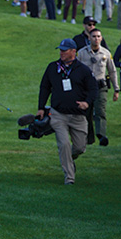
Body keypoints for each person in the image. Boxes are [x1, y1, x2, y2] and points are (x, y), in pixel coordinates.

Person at [37, 38, 98, 185]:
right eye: (60, 50)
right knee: (63, 144)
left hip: (78, 115)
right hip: (58, 114)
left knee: (79, 147)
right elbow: (45, 87)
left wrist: (87, 103)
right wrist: (41, 107)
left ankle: (69, 160)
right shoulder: (52, 67)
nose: (61, 52)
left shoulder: (83, 70)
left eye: (64, 50)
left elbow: (93, 89)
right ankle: (69, 177)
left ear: (73, 51)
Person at [76, 29, 119, 146]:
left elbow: (112, 71)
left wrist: (116, 89)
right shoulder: (81, 53)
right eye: (93, 36)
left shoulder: (106, 53)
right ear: (89, 38)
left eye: (98, 36)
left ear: (101, 38)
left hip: (100, 86)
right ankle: (88, 138)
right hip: (85, 88)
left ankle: (101, 135)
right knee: (86, 113)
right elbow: (75, 70)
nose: (96, 39)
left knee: (100, 111)